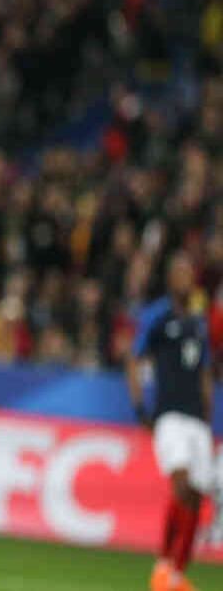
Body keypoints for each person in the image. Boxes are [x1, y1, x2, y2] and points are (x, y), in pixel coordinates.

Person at [128, 252, 214, 591]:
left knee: (196, 494)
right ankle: (163, 569)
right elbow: (135, 360)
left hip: (196, 419)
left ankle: (174, 572)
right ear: (169, 279)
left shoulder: (199, 322)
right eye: (180, 272)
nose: (186, 278)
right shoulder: (156, 317)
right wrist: (139, 408)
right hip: (170, 414)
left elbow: (205, 370)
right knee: (180, 484)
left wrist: (208, 414)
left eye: (189, 272)